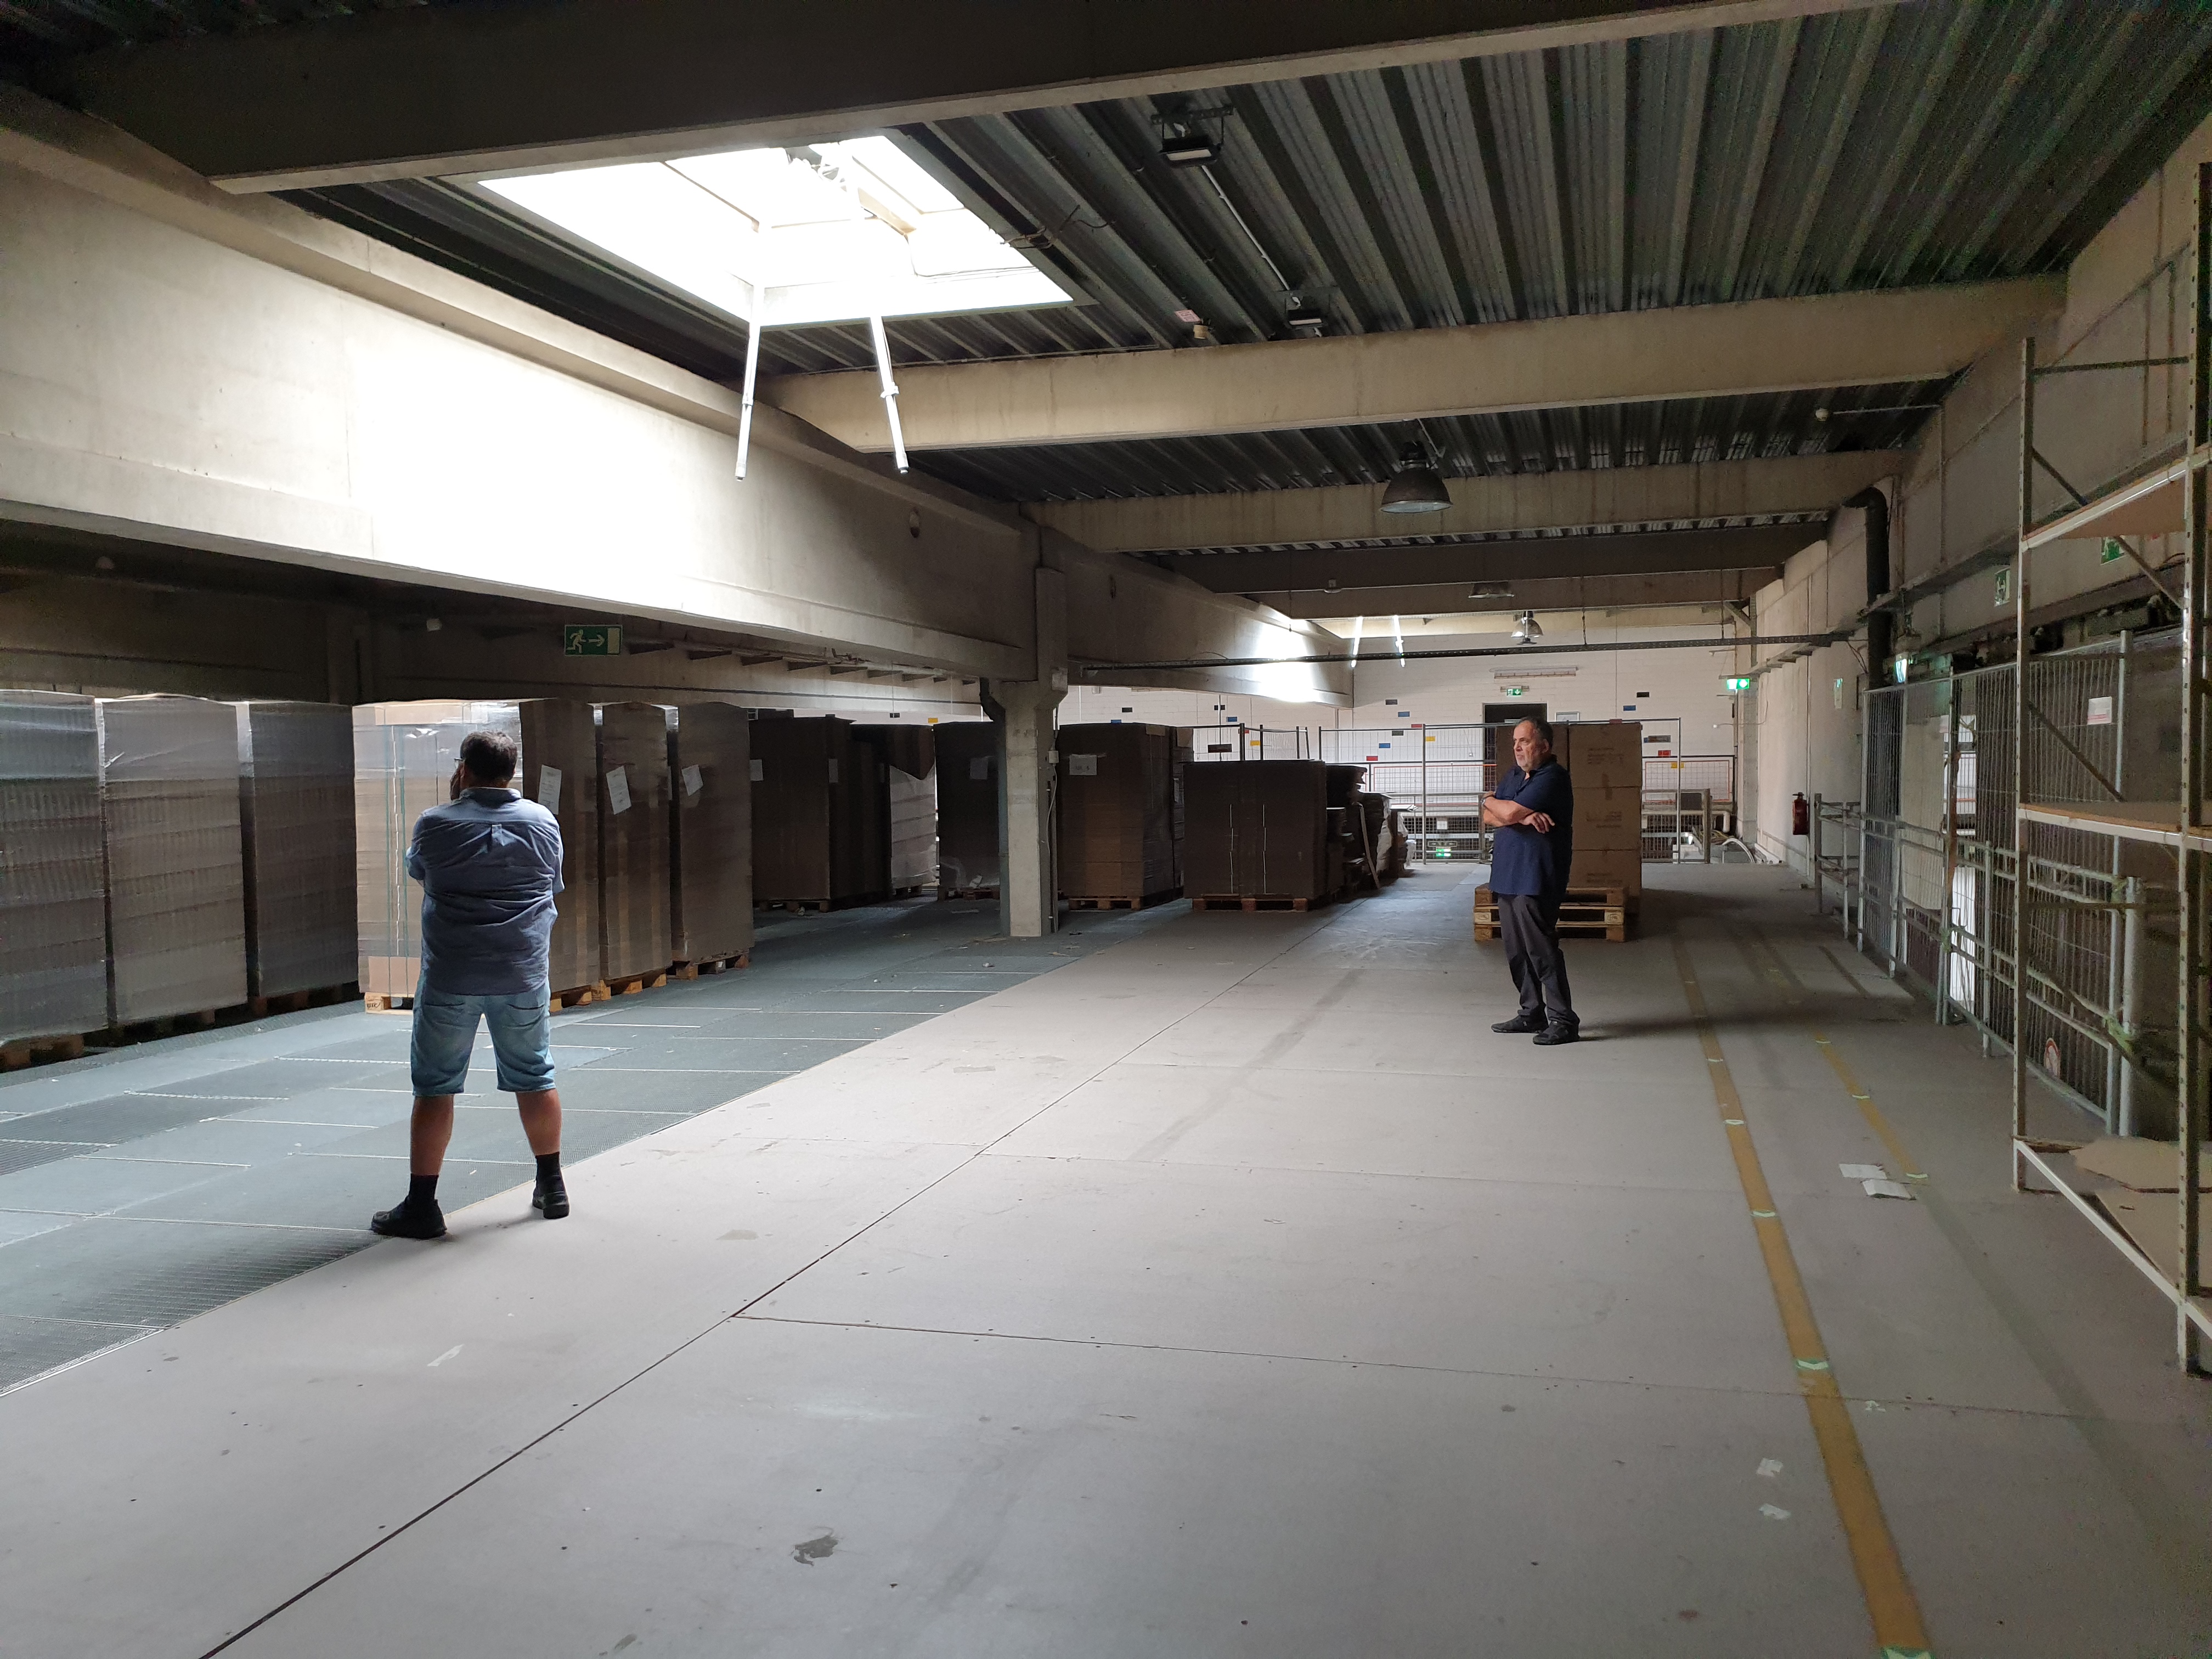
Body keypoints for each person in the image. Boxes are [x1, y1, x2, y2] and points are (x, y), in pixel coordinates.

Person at [371, 729, 571, 1239]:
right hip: (522, 974)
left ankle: (422, 1206)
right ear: (512, 772)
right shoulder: (543, 822)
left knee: (435, 1085)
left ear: (463, 769)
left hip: (452, 975)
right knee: (535, 1075)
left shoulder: (436, 823)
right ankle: (552, 1187)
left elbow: (421, 872)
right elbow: (551, 885)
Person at [1481, 717, 1579, 1045]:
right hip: (1507, 876)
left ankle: (1563, 1020)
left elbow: (1505, 813)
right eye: (1515, 742)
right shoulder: (1514, 775)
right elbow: (1489, 816)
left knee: (1541, 951)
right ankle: (1531, 1012)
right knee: (1516, 952)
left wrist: (1496, 804)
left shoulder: (1553, 777)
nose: (1517, 748)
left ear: (1544, 746)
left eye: (1524, 741)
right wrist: (1517, 814)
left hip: (1536, 877)